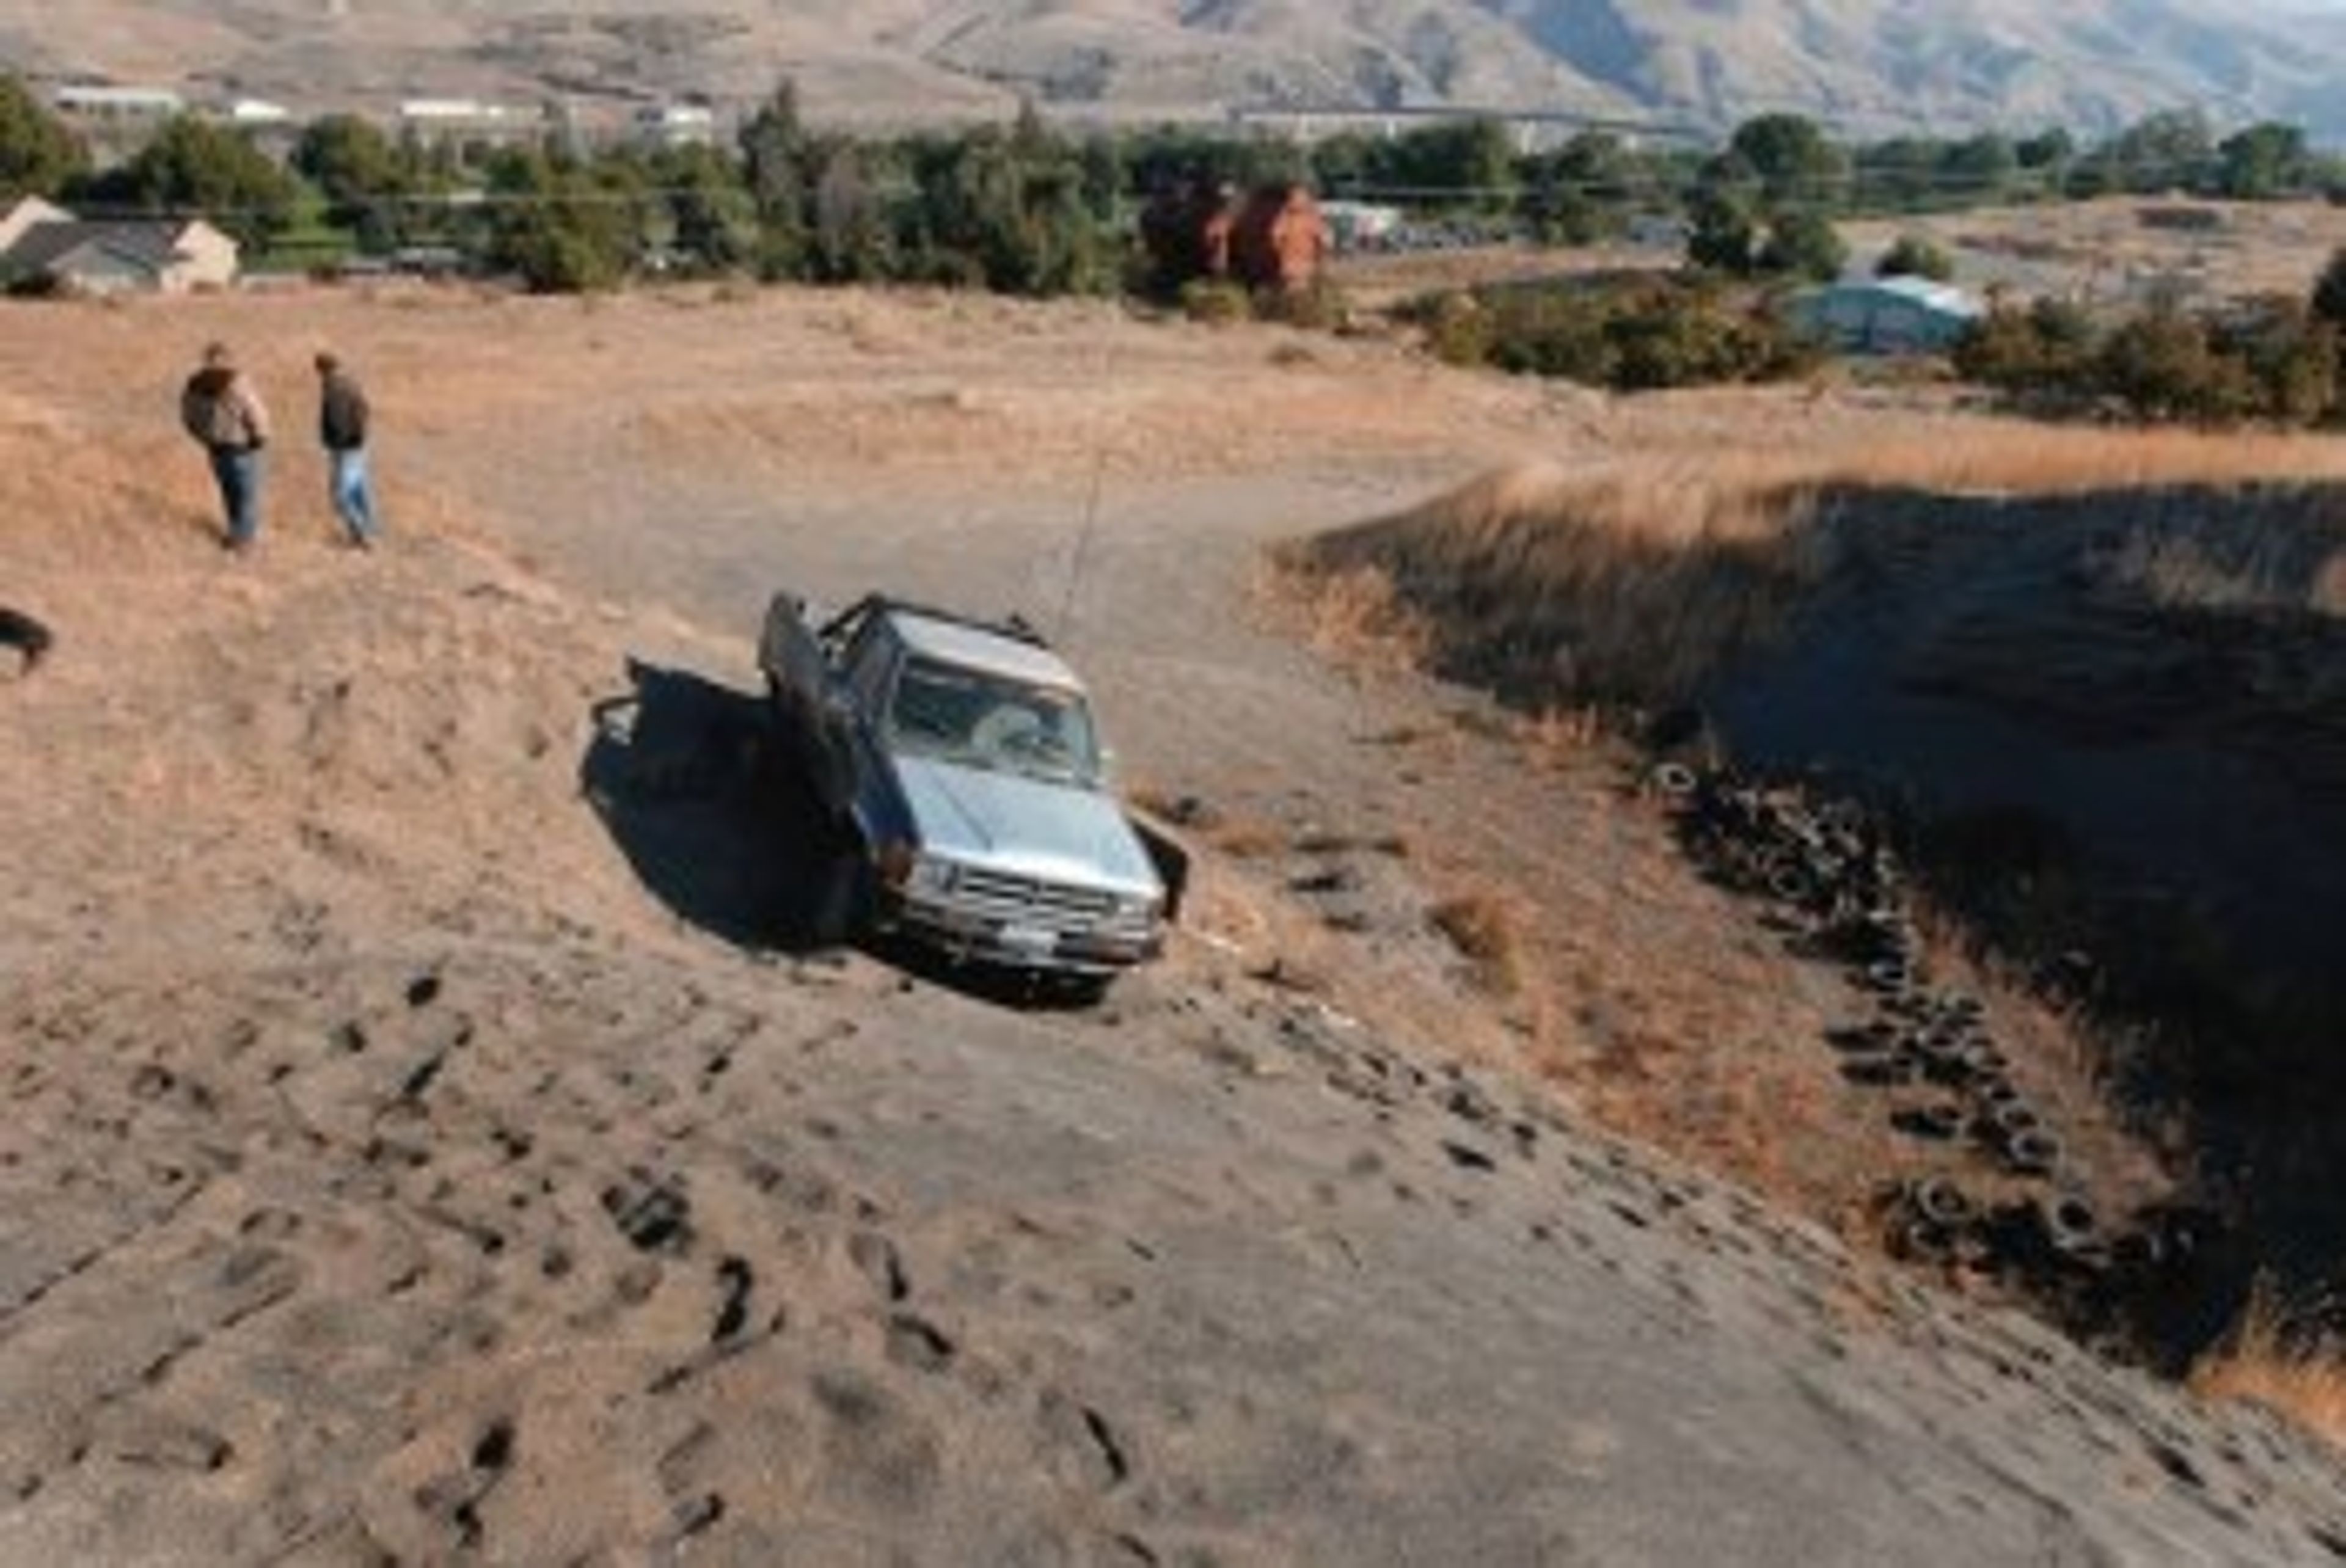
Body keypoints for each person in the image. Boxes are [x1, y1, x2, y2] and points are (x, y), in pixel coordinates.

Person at [178, 342, 271, 552]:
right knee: (247, 496)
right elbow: (254, 410)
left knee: (229, 493)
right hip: (241, 446)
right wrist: (261, 436)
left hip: (215, 448)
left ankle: (233, 534)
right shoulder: (237, 382)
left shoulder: (195, 385)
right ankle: (245, 541)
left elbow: (187, 416)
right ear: (226, 359)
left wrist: (202, 437)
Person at [313, 350, 381, 549]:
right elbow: (366, 408)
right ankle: (372, 529)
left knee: (340, 496)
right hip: (359, 444)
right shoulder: (352, 381)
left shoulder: (333, 387)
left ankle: (363, 535)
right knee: (360, 490)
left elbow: (336, 419)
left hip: (345, 448)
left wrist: (335, 441)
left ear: (322, 369)